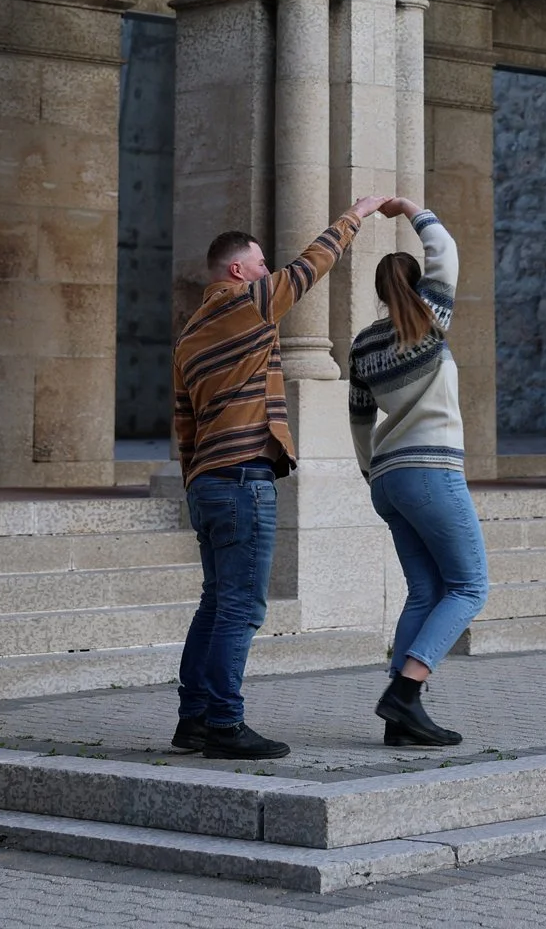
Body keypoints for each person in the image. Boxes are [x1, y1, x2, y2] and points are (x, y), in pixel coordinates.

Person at [172, 196, 388, 759]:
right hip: (243, 480)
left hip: (208, 482)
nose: (269, 272)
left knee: (216, 603)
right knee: (241, 608)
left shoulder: (190, 333)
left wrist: (195, 479)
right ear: (238, 271)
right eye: (260, 263)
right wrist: (355, 215)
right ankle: (224, 723)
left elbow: (183, 423)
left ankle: (192, 719)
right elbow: (309, 266)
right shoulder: (245, 304)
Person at [348, 196, 489, 747]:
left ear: (381, 293)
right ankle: (406, 692)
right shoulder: (430, 321)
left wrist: (370, 473)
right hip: (430, 470)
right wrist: (411, 209)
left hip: (389, 477)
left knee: (426, 591)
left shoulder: (364, 344)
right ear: (415, 285)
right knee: (470, 586)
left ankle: (398, 721)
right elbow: (445, 252)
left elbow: (359, 420)